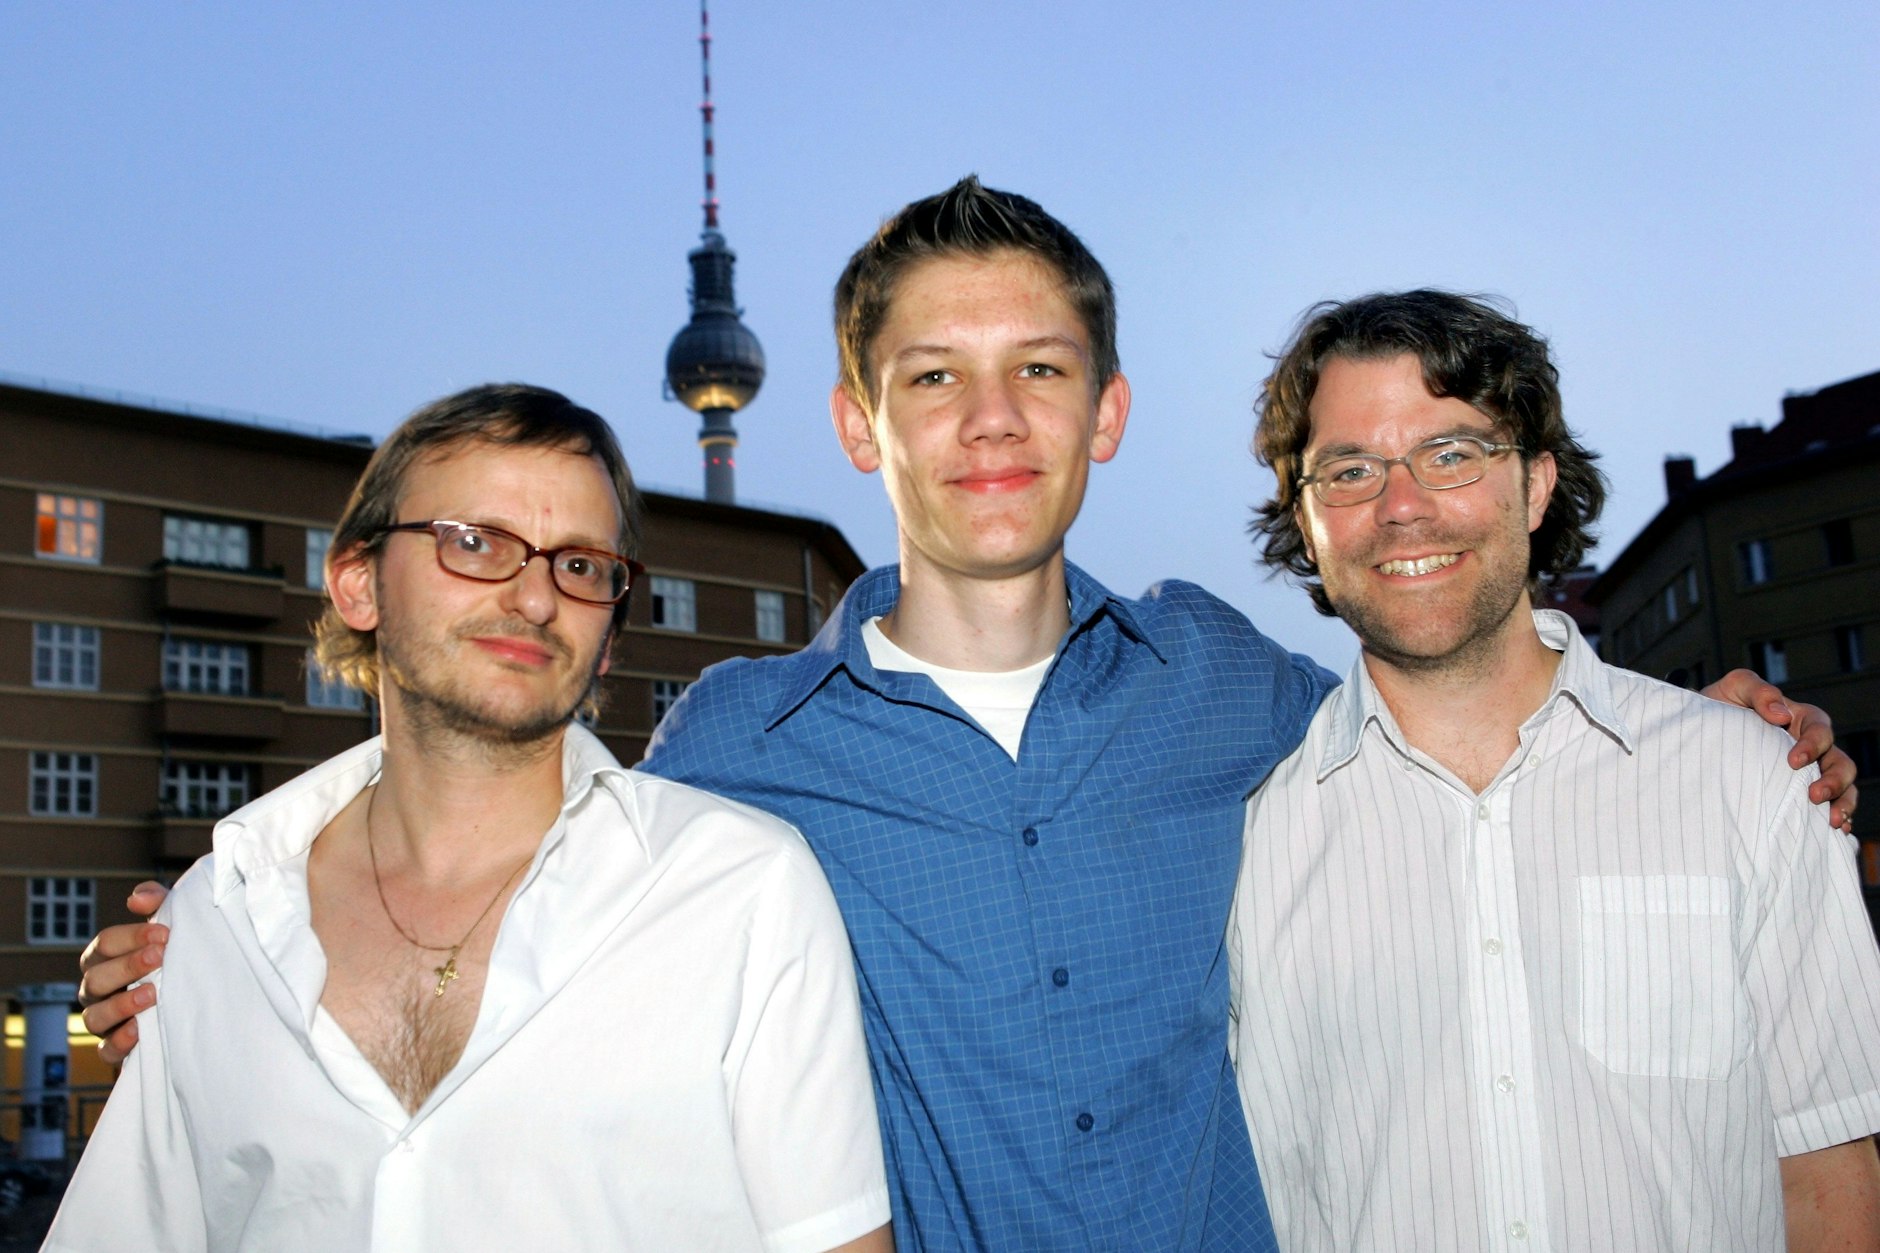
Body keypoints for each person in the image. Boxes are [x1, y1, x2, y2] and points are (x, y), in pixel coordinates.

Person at [79, 186, 1856, 1251]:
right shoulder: (726, 749)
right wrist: (207, 944)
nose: (990, 419)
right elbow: (465, 823)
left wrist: (1737, 733)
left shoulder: (1242, 695)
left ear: (1111, 413)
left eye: (1041, 370)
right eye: (932, 374)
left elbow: (1473, 724)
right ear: (858, 423)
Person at [49, 385, 891, 1252]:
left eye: (579, 564)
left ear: (609, 629)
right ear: (358, 583)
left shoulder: (741, 891)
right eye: (476, 541)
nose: (534, 598)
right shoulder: (214, 921)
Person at [1232, 289, 1880, 1251]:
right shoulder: (1244, 840)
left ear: (1535, 485)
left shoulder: (1749, 779)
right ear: (1307, 518)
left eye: (1452, 454)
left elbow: (1828, 1171)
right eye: (1351, 469)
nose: (1401, 506)